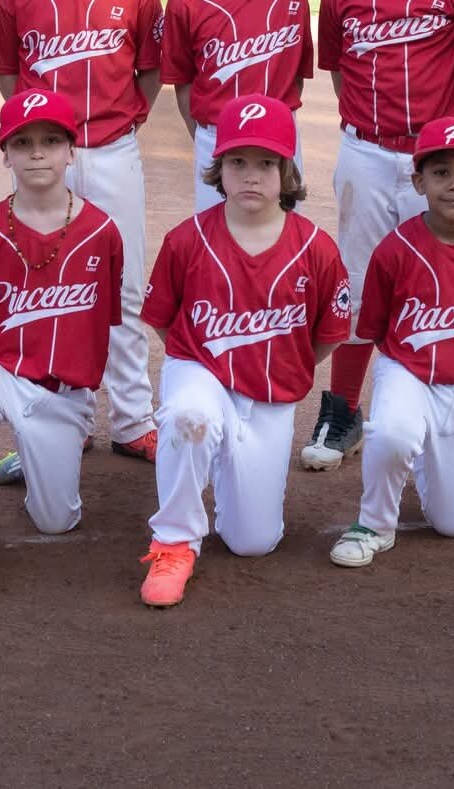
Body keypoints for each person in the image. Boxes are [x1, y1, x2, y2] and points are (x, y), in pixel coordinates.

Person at [304, 0, 454, 473]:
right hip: (365, 150)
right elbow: (335, 68)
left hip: (438, 159)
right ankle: (344, 409)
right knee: (357, 282)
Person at [136, 95, 351, 607]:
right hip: (201, 373)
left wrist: (277, 367)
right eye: (237, 162)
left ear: (286, 170)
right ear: (219, 169)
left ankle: (223, 459)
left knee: (252, 543)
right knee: (190, 415)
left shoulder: (316, 248)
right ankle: (174, 542)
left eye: (265, 163)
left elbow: (325, 335)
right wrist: (201, 372)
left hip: (270, 395)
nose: (250, 175)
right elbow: (166, 324)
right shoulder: (187, 240)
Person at [0, 0, 164, 462]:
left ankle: (133, 417)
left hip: (113, 149)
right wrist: (42, 141)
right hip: (45, 163)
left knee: (126, 285)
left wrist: (122, 120)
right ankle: (60, 415)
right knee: (50, 286)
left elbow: (150, 72)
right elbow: (10, 75)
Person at [0, 90, 124, 596]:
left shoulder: (103, 232)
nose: (37, 152)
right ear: (5, 154)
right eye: (23, 142)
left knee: (56, 522)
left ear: (71, 151)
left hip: (62, 390)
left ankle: (34, 452)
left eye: (50, 140)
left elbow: (101, 321)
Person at [330, 118, 454, 568]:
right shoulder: (396, 249)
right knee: (393, 431)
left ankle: (427, 452)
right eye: (441, 173)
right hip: (410, 371)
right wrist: (404, 382)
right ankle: (374, 523)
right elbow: (377, 328)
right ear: (418, 182)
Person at [158, 0, 313, 211]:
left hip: (280, 136)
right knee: (216, 239)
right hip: (216, 137)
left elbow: (295, 78)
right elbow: (183, 83)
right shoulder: (186, 1)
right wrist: (205, 136)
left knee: (284, 238)